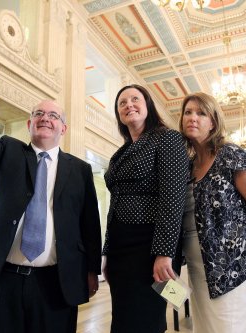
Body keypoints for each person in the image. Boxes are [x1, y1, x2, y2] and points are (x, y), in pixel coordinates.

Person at [0, 68, 102, 333]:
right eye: (38, 114)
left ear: (64, 127)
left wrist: (92, 269)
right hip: (3, 279)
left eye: (53, 115)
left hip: (56, 282)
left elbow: (90, 224)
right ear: (29, 124)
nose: (45, 118)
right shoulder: (8, 150)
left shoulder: (80, 170)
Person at [179, 92, 246, 333]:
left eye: (201, 113)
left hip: (235, 264)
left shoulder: (230, 155)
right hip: (197, 264)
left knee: (228, 328)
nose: (193, 117)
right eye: (188, 112)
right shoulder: (187, 166)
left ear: (213, 122)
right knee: (203, 328)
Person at [102, 84, 188, 333]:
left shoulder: (167, 138)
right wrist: (108, 252)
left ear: (148, 105)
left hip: (149, 248)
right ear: (118, 113)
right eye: (122, 102)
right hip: (120, 249)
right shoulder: (120, 153)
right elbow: (115, 205)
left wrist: (164, 253)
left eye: (135, 99)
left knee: (145, 322)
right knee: (122, 319)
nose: (129, 104)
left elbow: (173, 197)